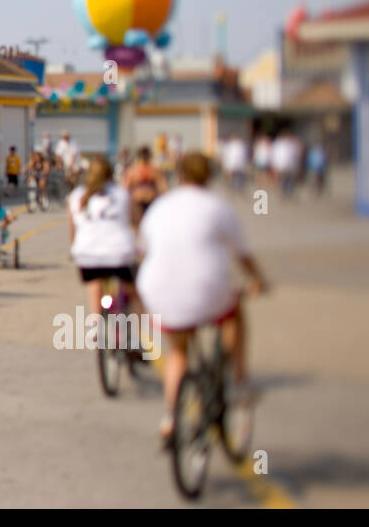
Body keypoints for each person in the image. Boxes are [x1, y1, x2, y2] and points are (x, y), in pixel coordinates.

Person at [136, 152, 267, 443]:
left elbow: (143, 250)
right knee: (235, 312)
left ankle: (170, 419)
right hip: (207, 288)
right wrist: (258, 280)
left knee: (178, 353)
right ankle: (239, 382)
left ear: (179, 176)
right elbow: (242, 255)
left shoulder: (159, 207)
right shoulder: (218, 207)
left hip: (159, 290)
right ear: (209, 176)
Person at [68, 156, 140, 342]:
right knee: (134, 292)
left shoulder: (77, 196)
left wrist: (75, 251)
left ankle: (95, 325)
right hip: (119, 253)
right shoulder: (121, 193)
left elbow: (73, 231)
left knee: (95, 281)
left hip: (87, 254)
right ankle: (136, 336)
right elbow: (136, 222)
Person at [123, 145, 166, 222]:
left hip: (150, 202)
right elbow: (125, 188)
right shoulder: (133, 171)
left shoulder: (154, 170)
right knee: (138, 225)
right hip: (138, 203)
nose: (144, 159)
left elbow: (163, 187)